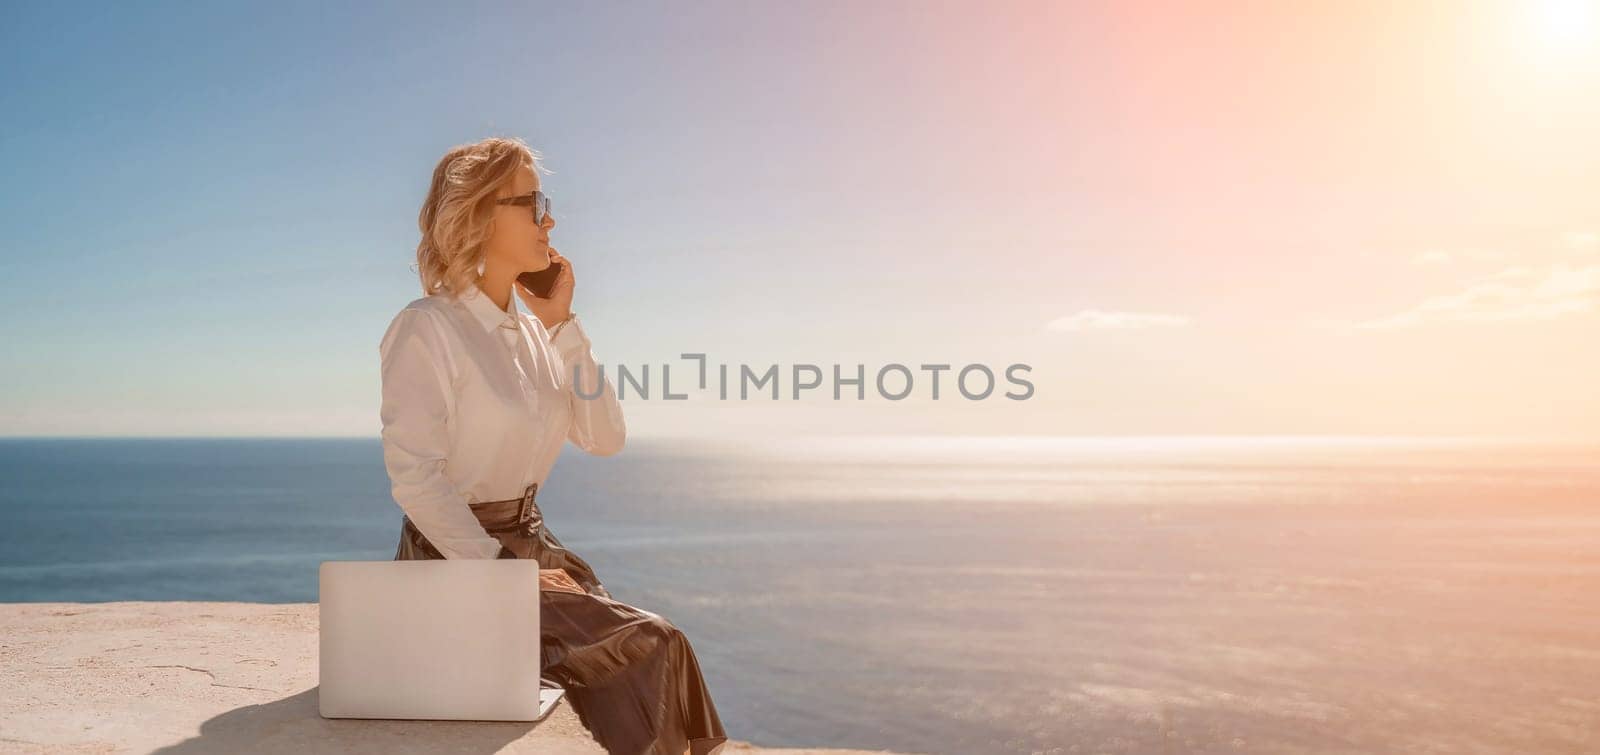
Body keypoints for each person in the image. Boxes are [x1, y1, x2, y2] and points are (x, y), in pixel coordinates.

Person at [378, 136, 729, 755]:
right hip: (456, 560)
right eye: (534, 201)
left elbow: (606, 437)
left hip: (531, 547)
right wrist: (504, 574)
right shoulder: (426, 328)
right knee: (651, 644)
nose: (551, 219)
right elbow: (415, 480)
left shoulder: (536, 335)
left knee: (649, 656)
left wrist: (565, 324)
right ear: (483, 213)